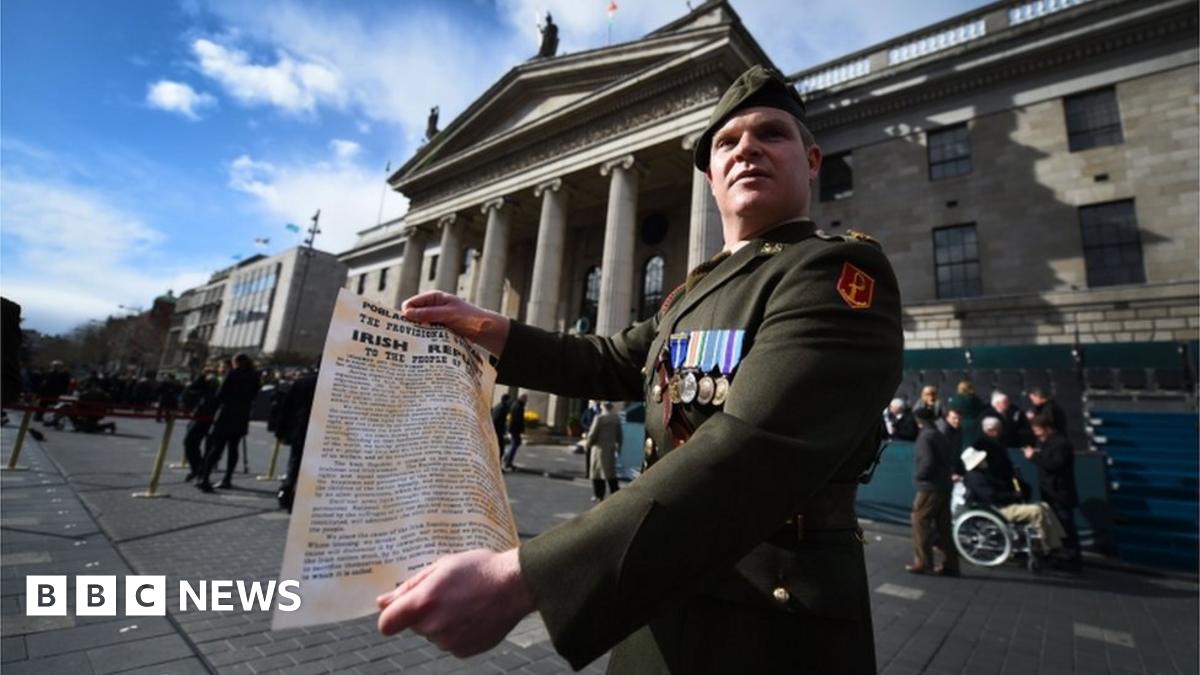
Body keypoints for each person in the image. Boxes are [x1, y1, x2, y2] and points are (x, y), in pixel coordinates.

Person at [375, 65, 903, 673]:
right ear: (710, 177)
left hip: (770, 627)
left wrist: (526, 577)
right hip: (659, 598)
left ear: (811, 161)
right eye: (727, 142)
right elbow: (608, 360)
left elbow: (754, 447)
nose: (747, 149)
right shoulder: (690, 297)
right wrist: (490, 329)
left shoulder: (833, 273)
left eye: (771, 134)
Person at [960, 446, 1065, 553]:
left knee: (1044, 506)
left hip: (1001, 506)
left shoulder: (982, 474)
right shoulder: (976, 479)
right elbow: (992, 496)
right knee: (1037, 511)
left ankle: (1058, 540)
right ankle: (1047, 545)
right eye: (982, 460)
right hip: (999, 510)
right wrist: (1013, 495)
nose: (985, 460)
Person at [1023, 413, 1082, 571]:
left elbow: (1055, 464)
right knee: (1056, 524)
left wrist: (1034, 457)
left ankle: (1072, 559)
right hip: (1050, 490)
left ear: (1047, 428)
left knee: (1065, 524)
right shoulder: (1046, 442)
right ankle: (1061, 555)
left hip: (1060, 492)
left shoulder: (1060, 444)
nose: (1036, 434)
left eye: (1038, 430)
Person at [196, 354, 260, 492]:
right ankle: (227, 478)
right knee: (233, 448)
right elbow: (254, 396)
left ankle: (205, 478)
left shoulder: (232, 374)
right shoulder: (254, 376)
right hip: (242, 415)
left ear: (236, 362)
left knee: (217, 447)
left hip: (226, 413)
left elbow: (220, 394)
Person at [907, 407, 960, 577]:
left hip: (929, 487)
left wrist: (919, 476)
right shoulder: (940, 435)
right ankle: (951, 564)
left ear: (919, 420)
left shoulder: (925, 436)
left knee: (919, 520)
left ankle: (923, 562)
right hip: (944, 484)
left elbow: (927, 462)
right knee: (944, 526)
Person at [276, 367, 318, 512]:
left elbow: (287, 408)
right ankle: (300, 497)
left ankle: (286, 492)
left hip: (300, 430)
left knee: (294, 463)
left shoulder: (302, 383)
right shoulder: (335, 383)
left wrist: (280, 430)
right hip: (320, 433)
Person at [181, 369, 219, 481]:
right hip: (200, 414)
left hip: (208, 416)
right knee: (190, 443)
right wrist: (202, 376)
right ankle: (197, 468)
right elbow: (192, 390)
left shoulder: (216, 381)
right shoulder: (207, 381)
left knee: (196, 444)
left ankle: (200, 470)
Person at [585, 402, 623, 501]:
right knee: (610, 472)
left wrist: (587, 444)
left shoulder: (599, 418)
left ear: (602, 407)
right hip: (610, 448)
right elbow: (620, 435)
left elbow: (592, 434)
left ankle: (599, 495)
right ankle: (615, 492)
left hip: (598, 448)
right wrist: (619, 447)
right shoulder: (616, 419)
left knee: (597, 472)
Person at [503, 394, 527, 471]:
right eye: (525, 399)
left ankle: (507, 459)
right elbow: (518, 420)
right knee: (514, 444)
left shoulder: (517, 405)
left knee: (514, 444)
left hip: (514, 429)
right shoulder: (518, 406)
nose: (526, 401)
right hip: (515, 429)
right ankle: (507, 462)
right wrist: (521, 428)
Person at [491, 393, 512, 460]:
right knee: (500, 449)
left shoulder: (499, 406)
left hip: (496, 431)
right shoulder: (502, 408)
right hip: (497, 431)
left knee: (498, 449)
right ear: (506, 400)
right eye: (509, 400)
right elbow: (496, 419)